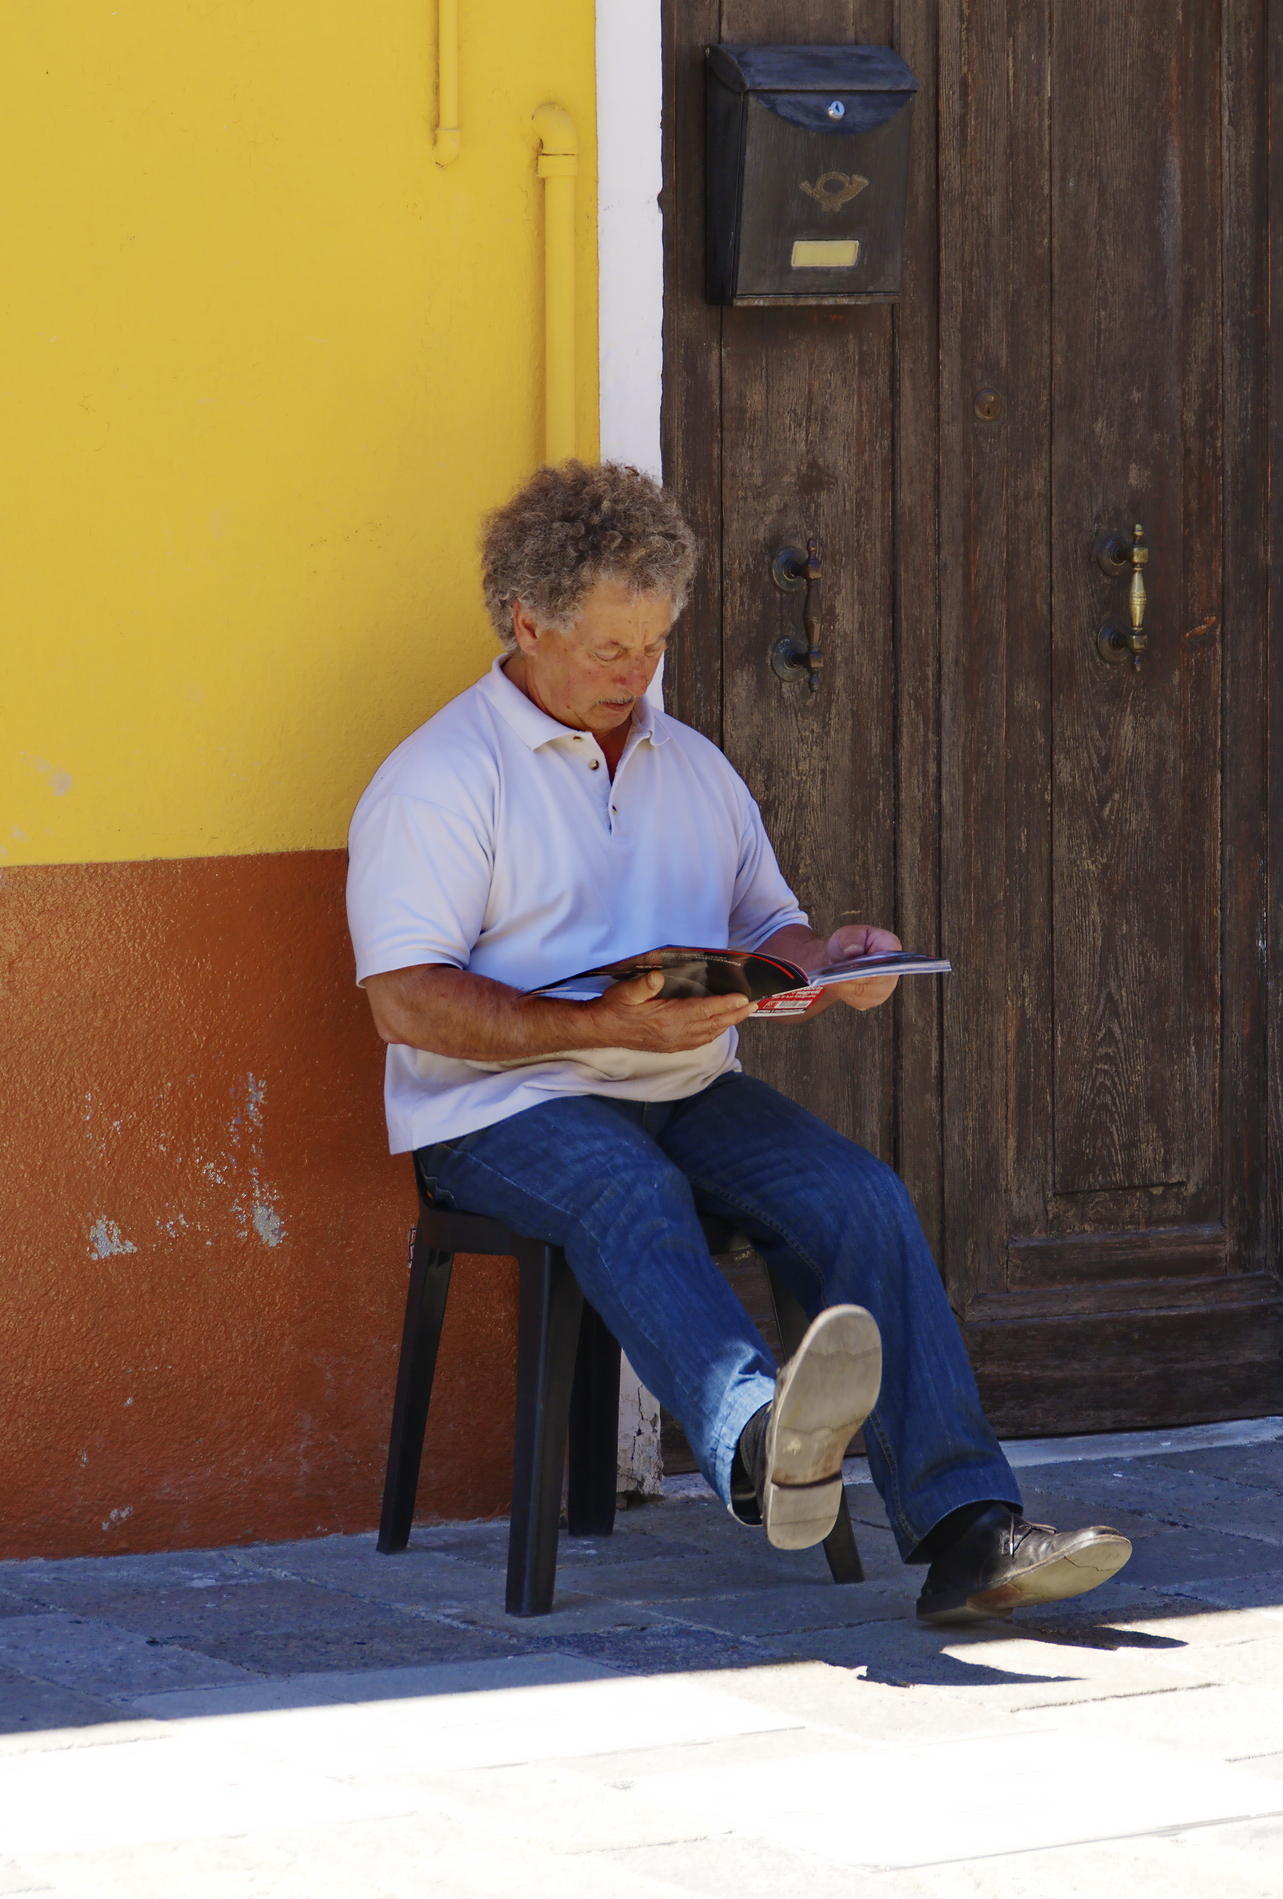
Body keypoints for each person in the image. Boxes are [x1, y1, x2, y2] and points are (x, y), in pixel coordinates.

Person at [347, 460, 1131, 1623]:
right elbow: (406, 1001)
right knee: (631, 1191)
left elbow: (767, 923)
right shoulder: (440, 780)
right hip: (498, 1109)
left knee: (858, 1194)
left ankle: (970, 1530)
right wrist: (593, 1024)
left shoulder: (691, 764)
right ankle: (765, 1448)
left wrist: (830, 959)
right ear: (525, 619)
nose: (637, 675)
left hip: (683, 1079)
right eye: (612, 649)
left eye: (655, 646)